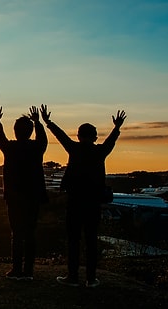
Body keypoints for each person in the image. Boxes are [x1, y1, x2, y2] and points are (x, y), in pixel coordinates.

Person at [41, 106, 126, 288]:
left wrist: (48, 122)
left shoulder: (74, 148)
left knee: (73, 239)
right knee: (91, 240)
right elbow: (111, 141)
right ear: (95, 137)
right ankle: (91, 278)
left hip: (74, 200)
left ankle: (72, 276)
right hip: (93, 201)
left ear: (78, 136)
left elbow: (61, 135)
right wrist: (117, 127)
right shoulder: (100, 151)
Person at [0, 105, 48, 281]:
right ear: (30, 131)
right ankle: (29, 271)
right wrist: (38, 122)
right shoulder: (37, 148)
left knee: (16, 233)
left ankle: (16, 269)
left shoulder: (10, 148)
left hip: (14, 197)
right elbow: (43, 139)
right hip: (33, 196)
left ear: (15, 131)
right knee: (30, 233)